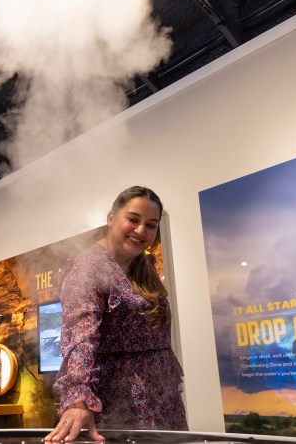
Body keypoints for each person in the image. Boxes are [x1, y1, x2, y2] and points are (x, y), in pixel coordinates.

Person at [46, 186, 187, 442]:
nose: (141, 231)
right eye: (133, 220)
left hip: (162, 399)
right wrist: (78, 398)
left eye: (151, 225)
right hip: (124, 404)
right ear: (111, 218)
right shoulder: (88, 267)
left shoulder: (144, 266)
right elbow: (80, 337)